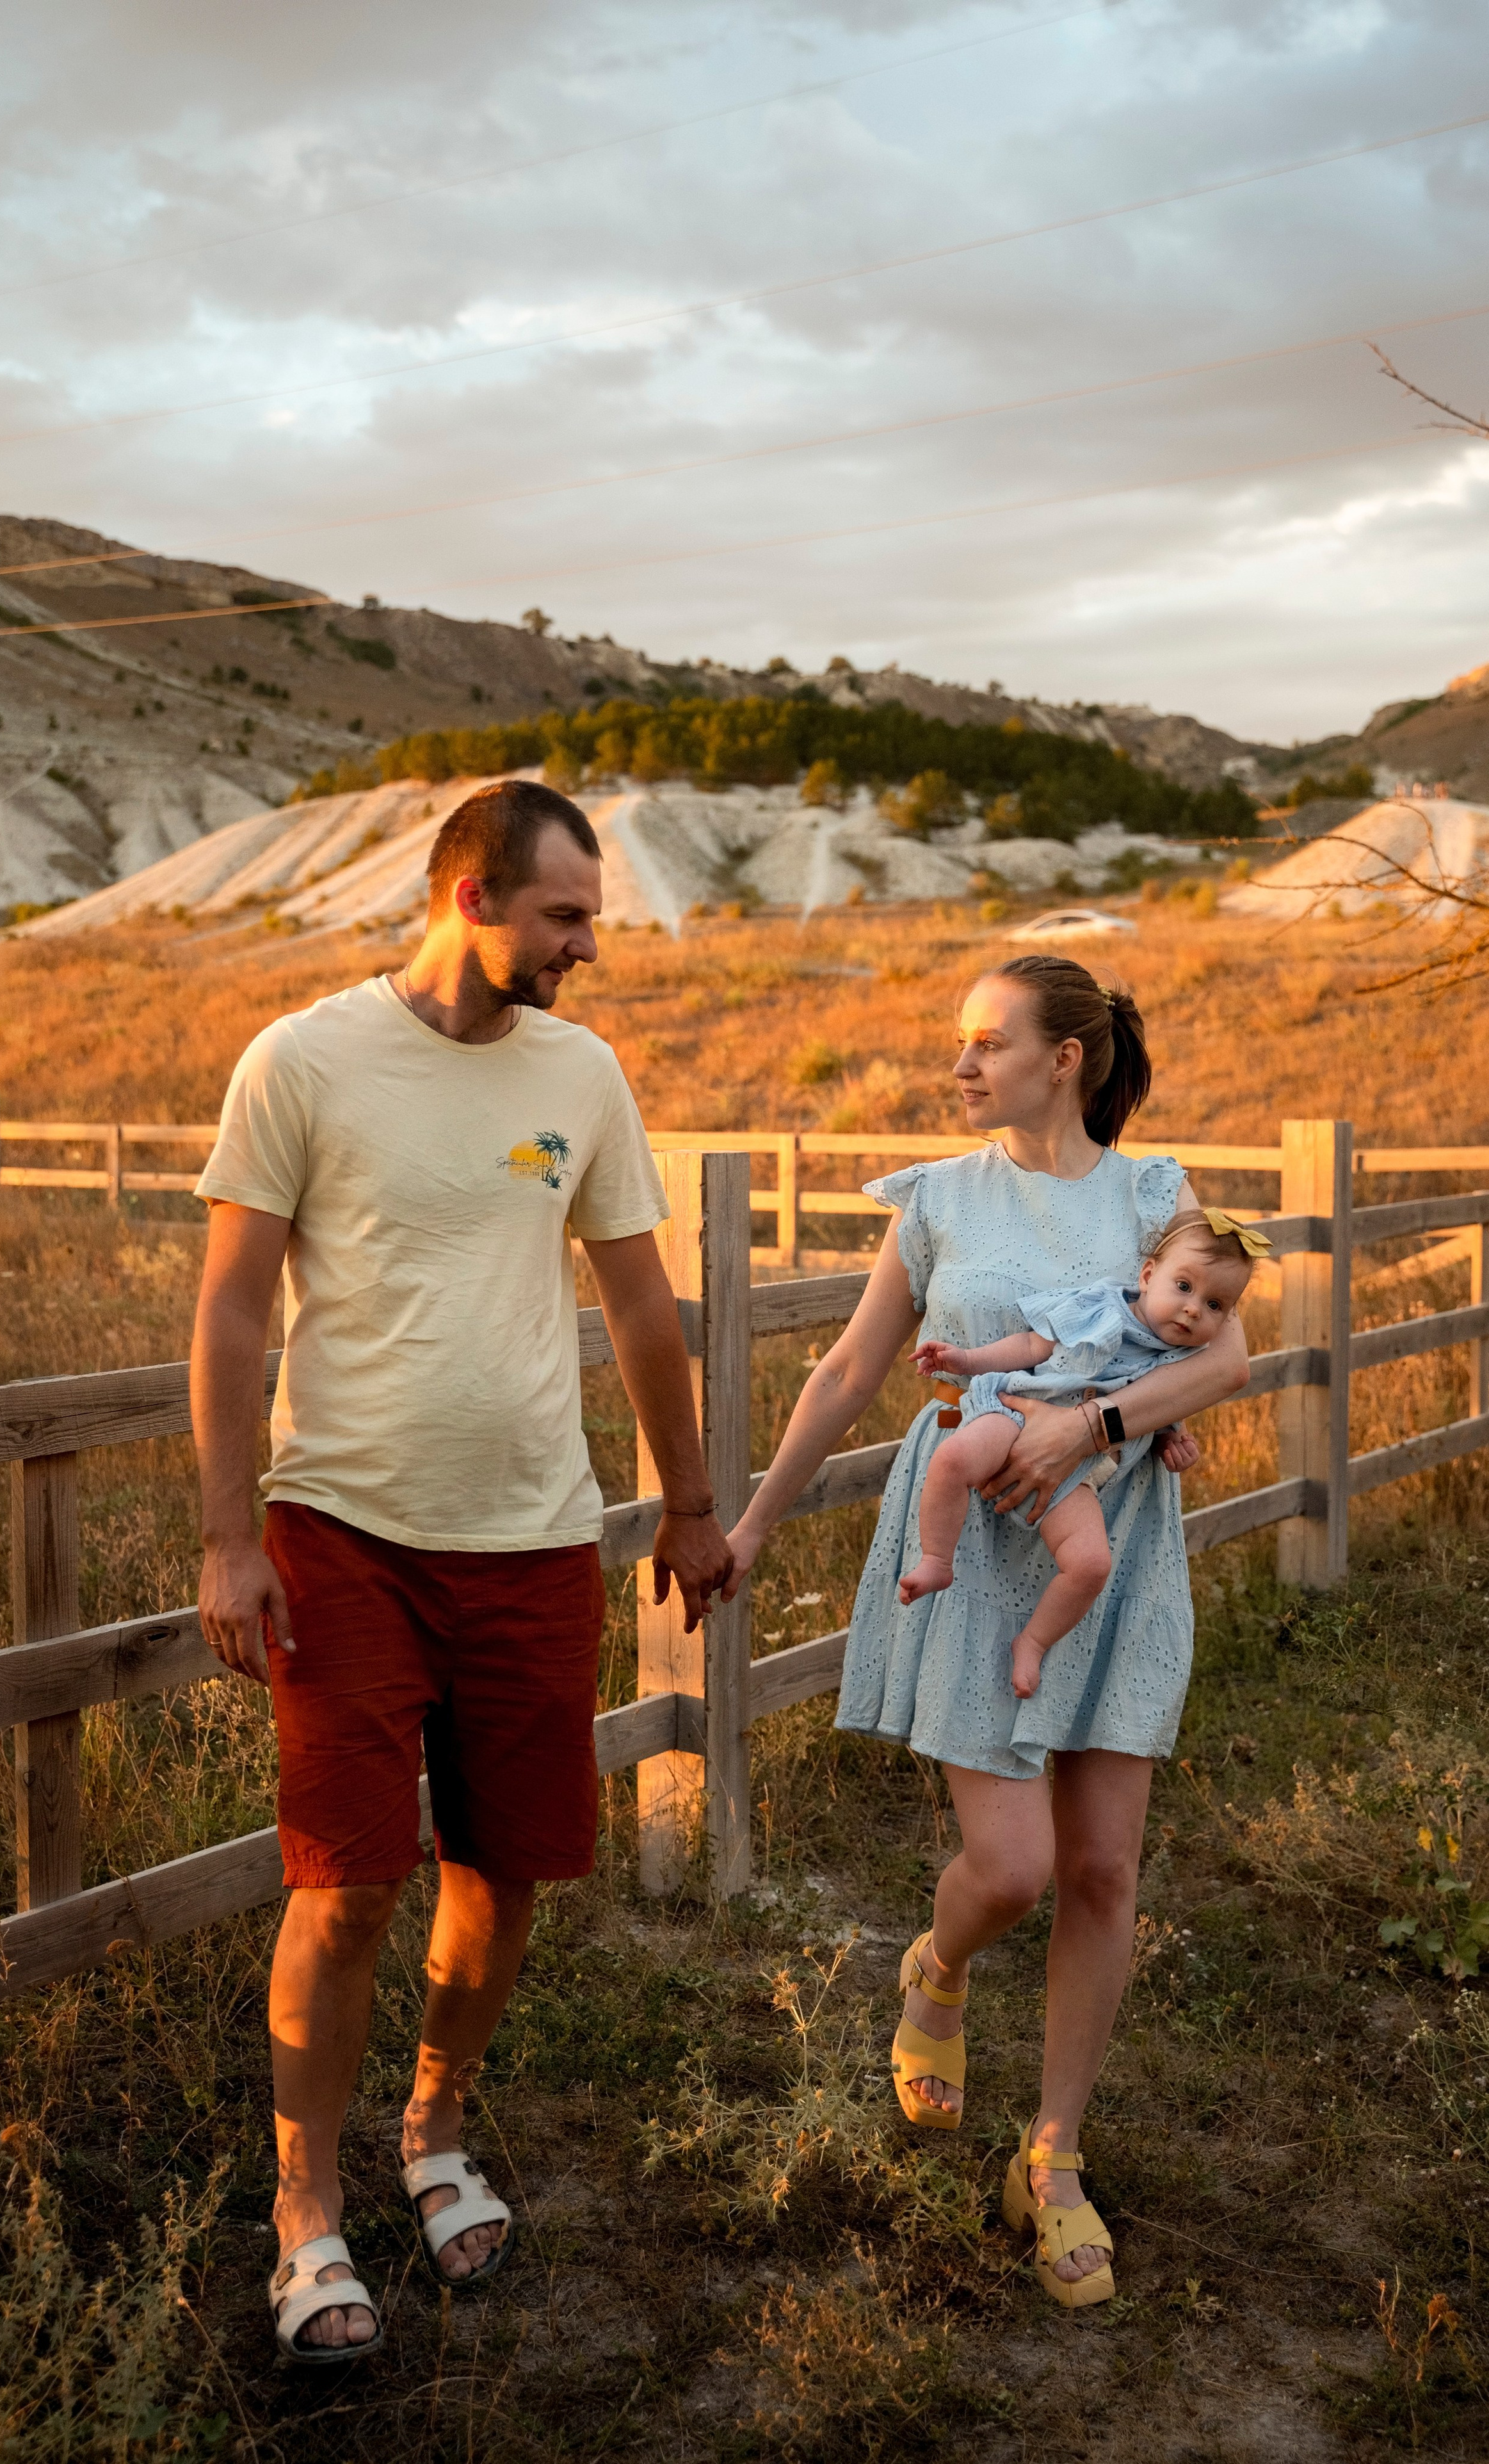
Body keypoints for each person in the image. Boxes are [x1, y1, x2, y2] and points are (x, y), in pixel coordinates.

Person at [190, 779, 731, 2361]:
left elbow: (639, 1304)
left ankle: (431, 2129)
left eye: (591, 920)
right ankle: (304, 2208)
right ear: (471, 895)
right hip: (341, 1534)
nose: (584, 948)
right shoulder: (300, 1058)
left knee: (504, 1874)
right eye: (565, 916)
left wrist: (687, 1507)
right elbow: (231, 1310)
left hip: (535, 1537)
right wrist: (229, 1535)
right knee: (345, 1882)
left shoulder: (585, 1071)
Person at [721, 953, 1250, 2308]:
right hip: (972, 1558)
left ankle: (1053, 2157)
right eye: (957, 1043)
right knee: (1008, 1865)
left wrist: (1099, 1422)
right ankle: (936, 1964)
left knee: (1099, 1873)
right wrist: (755, 1523)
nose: (958, 1065)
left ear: (1063, 1056)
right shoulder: (937, 1199)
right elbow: (847, 1369)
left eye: (983, 1041)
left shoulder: (1148, 1194)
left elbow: (1221, 1352)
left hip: (1111, 1551)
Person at [899, 1208, 1268, 1700]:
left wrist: (1172, 1441)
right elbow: (1033, 1344)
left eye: (1217, 1305)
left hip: (1080, 1466)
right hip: (1018, 1411)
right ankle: (936, 1558)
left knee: (1092, 1565)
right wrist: (966, 1360)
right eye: (1184, 1287)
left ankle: (1032, 1642)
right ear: (1148, 1275)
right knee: (952, 1460)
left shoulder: (1184, 1360)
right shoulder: (1101, 1306)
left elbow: (1156, 1412)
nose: (1195, 1310)